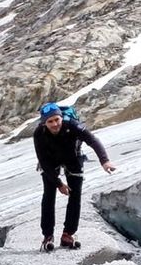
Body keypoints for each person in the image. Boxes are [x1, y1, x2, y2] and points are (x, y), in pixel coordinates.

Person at [33, 101, 116, 250]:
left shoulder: (72, 125)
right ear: (44, 123)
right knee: (49, 196)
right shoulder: (39, 133)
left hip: (73, 158)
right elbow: (43, 161)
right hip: (50, 162)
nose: (55, 124)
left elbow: (92, 140)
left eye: (57, 119)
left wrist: (105, 161)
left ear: (61, 117)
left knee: (75, 195)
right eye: (50, 121)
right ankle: (47, 236)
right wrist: (59, 184)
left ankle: (68, 234)